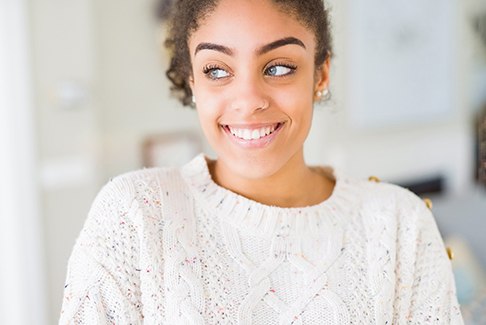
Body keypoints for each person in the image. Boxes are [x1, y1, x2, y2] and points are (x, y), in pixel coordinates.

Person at [59, 0, 464, 323]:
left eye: (279, 67)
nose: (249, 99)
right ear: (192, 81)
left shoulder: (400, 224)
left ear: (320, 76)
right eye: (217, 70)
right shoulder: (134, 216)